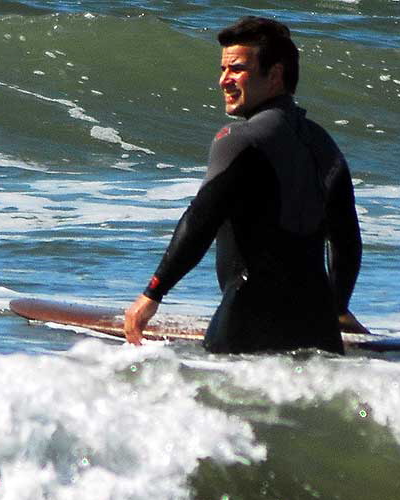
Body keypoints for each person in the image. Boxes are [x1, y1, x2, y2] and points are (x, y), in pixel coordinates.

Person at [125, 16, 367, 353]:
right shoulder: (324, 144)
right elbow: (347, 241)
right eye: (223, 69)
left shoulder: (239, 139)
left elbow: (200, 220)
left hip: (245, 327)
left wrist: (152, 294)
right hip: (317, 331)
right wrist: (337, 308)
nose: (224, 80)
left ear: (275, 75)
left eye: (236, 69)